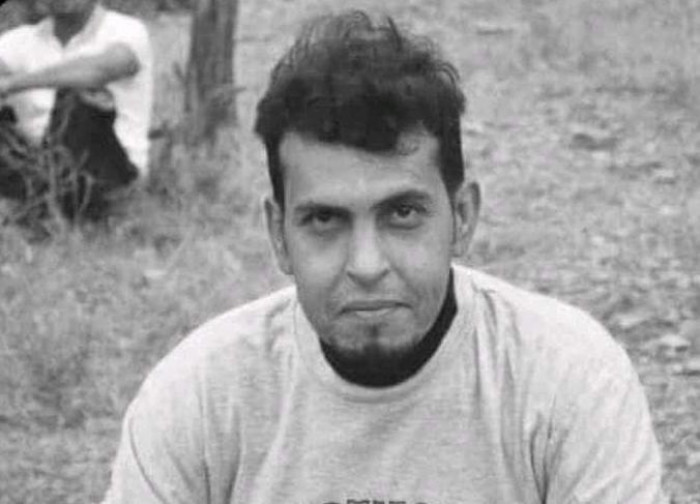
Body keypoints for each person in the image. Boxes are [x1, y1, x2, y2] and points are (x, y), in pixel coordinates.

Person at [102, 10, 667, 504]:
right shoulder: (200, 396)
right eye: (325, 220)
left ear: (462, 217)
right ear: (278, 234)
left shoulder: (567, 379)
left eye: (402, 213)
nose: (367, 265)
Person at [0, 0, 152, 220]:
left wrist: (12, 84)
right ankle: (35, 202)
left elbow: (98, 71)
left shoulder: (126, 31)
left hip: (106, 169)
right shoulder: (19, 42)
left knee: (79, 98)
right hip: (36, 168)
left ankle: (89, 206)